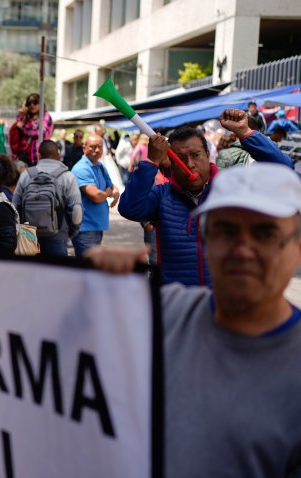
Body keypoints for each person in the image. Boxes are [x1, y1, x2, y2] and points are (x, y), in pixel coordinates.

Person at [86, 163, 301, 478]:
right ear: (206, 241)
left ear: (297, 249)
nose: (243, 250)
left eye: (265, 234)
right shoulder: (163, 313)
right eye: (226, 231)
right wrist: (87, 293)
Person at [119, 108, 293, 286]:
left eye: (196, 155)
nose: (190, 164)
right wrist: (151, 162)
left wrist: (245, 132)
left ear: (208, 155)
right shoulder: (162, 195)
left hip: (226, 303)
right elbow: (128, 209)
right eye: (180, 158)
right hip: (179, 304)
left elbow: (284, 170)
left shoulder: (233, 187)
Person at [14, 140, 82, 256]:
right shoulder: (67, 176)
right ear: (58, 155)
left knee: (30, 273)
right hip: (58, 235)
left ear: (39, 155)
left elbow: (14, 207)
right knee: (55, 272)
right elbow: (76, 211)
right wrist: (71, 232)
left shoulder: (26, 175)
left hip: (29, 236)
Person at [71, 134, 119, 257]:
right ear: (84, 148)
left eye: (100, 147)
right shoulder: (81, 168)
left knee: (90, 270)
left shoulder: (100, 166)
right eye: (92, 147)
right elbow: (97, 196)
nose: (97, 150)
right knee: (86, 271)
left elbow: (113, 187)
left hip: (96, 227)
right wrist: (108, 193)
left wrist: (113, 193)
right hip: (85, 229)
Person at [9, 93, 54, 165]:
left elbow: (40, 133)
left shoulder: (46, 116)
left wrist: (24, 128)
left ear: (41, 104)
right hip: (24, 156)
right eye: (29, 103)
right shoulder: (27, 117)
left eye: (35, 102)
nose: (32, 105)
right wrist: (22, 114)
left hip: (38, 157)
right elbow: (18, 126)